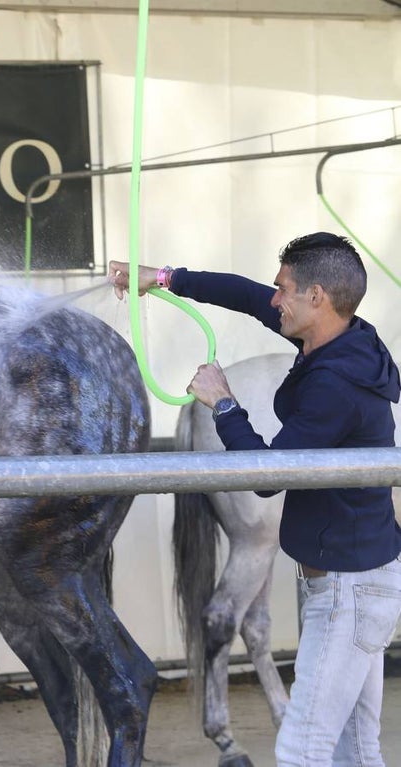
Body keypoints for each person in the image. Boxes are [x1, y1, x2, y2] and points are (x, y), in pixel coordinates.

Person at [109, 232, 401, 767]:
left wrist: (223, 403)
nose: (274, 299)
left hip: (349, 593)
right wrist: (164, 278)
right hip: (354, 582)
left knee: (300, 749)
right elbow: (245, 295)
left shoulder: (336, 383)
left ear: (316, 296)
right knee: (357, 751)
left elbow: (268, 475)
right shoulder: (343, 338)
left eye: (283, 289)